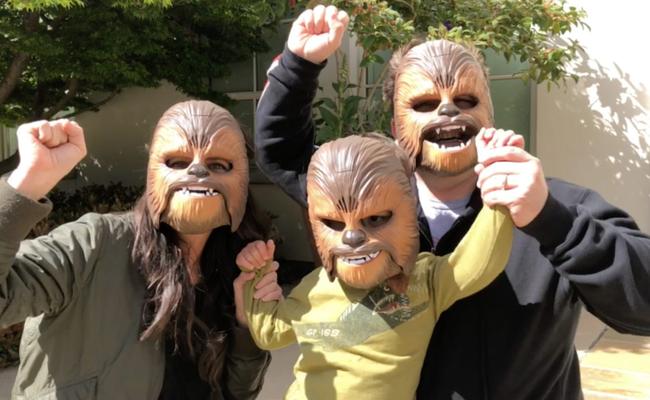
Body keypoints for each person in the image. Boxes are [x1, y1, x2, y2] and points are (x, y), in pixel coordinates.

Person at [254, 5, 650, 399]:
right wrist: (298, 66)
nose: (447, 111)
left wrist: (553, 222)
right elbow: (283, 155)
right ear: (395, 127)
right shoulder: (366, 203)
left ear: (490, 116)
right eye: (424, 104)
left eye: (466, 100)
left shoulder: (556, 205)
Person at [0, 100, 281, 399]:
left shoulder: (232, 268)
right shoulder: (93, 245)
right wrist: (26, 183)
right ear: (152, 172)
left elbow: (237, 394)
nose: (198, 170)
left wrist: (246, 322)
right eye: (177, 161)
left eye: (219, 165)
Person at [235, 132, 513, 399]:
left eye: (376, 219)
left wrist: (497, 192)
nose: (352, 237)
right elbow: (270, 332)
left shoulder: (425, 279)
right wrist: (256, 274)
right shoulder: (315, 286)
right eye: (334, 223)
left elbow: (476, 265)